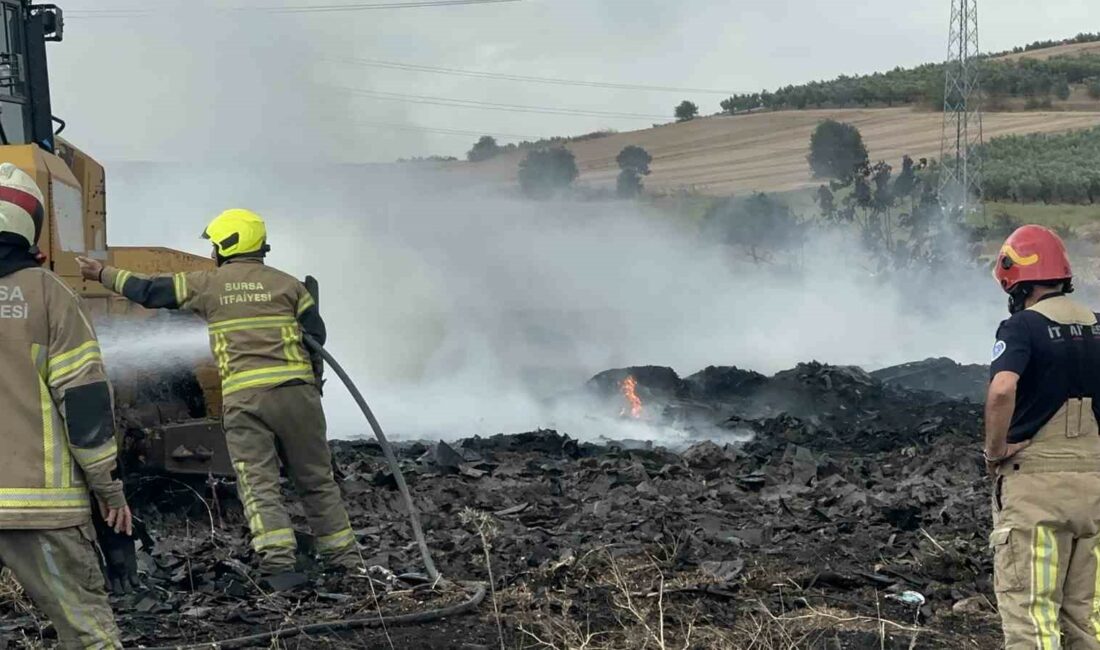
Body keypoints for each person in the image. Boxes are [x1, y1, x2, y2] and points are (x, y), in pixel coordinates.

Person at [76, 209, 359, 579]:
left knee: (259, 484)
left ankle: (279, 568)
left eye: (214, 245)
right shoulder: (291, 287)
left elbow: (149, 291)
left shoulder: (208, 285)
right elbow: (316, 340)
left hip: (247, 401)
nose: (211, 253)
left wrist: (102, 273)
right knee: (317, 481)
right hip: (298, 397)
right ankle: (346, 564)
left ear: (226, 246)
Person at [0, 162, 130, 648]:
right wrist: (109, 490)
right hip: (41, 508)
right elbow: (86, 404)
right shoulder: (51, 297)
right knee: (88, 635)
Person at [986, 224, 1100, 649]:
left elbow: (1001, 389)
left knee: (1032, 615)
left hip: (1036, 490)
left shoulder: (1022, 328)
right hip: (1094, 491)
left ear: (1016, 283)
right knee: (1085, 620)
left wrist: (996, 450)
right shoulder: (1098, 325)